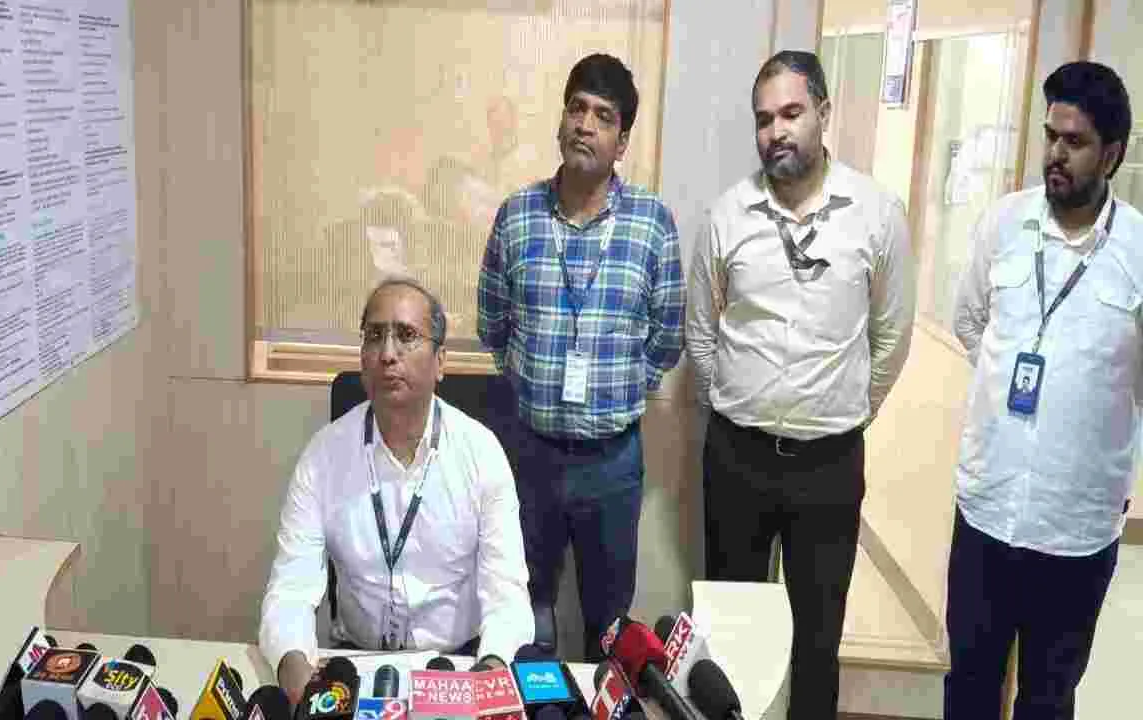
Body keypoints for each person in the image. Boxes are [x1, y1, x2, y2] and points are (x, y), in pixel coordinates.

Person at [685, 50, 914, 720]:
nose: (776, 131)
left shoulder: (875, 214)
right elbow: (701, 333)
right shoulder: (728, 215)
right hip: (738, 458)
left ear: (823, 112)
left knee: (818, 639)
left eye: (791, 113)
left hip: (829, 467)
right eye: (764, 119)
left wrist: (845, 411)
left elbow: (892, 338)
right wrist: (740, 403)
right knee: (731, 632)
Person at [477, 53, 685, 661]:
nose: (585, 125)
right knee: (524, 612)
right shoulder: (517, 215)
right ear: (561, 120)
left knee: (609, 624)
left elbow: (667, 336)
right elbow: (493, 323)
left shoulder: (652, 223)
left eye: (603, 116)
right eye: (576, 109)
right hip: (530, 455)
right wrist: (531, 381)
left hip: (612, 463)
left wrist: (622, 390)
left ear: (622, 141)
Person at [947, 60, 1138, 720]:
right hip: (988, 509)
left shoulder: (1138, 252)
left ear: (1111, 154)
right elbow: (969, 322)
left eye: (1075, 142)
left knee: (1048, 700)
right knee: (969, 686)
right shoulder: (1004, 224)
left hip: (1075, 529)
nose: (1056, 154)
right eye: (1051, 135)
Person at [260, 278, 533, 703]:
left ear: (440, 361)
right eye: (374, 336)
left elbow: (508, 598)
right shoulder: (324, 456)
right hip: (352, 667)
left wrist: (487, 677)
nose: (388, 353)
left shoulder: (481, 454)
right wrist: (300, 684)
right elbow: (288, 594)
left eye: (406, 335)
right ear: (362, 358)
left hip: (458, 666)